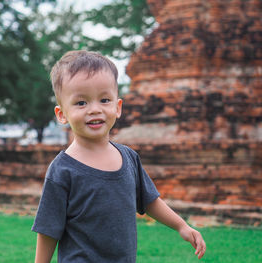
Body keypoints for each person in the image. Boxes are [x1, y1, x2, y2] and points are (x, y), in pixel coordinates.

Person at [32, 50, 206, 262]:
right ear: (61, 114)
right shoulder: (62, 170)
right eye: (81, 103)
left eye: (104, 100)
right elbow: (49, 229)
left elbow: (149, 200)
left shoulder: (129, 158)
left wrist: (181, 226)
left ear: (118, 107)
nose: (94, 109)